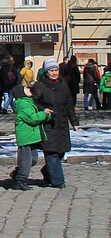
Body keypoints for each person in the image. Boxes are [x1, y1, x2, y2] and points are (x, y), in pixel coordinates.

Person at [32, 58, 79, 189]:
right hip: (48, 123)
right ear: (46, 72)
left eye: (56, 70)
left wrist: (74, 122)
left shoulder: (63, 85)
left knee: (61, 152)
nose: (54, 73)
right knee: (51, 152)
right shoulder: (40, 86)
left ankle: (47, 172)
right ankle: (58, 181)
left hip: (62, 123)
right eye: (51, 70)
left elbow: (69, 104)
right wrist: (43, 110)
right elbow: (35, 103)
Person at [6, 81, 50, 191]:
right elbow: (33, 118)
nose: (30, 91)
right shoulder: (23, 104)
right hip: (25, 137)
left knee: (33, 159)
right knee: (26, 160)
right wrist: (45, 114)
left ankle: (18, 173)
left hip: (32, 137)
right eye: (27, 90)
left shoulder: (30, 102)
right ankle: (20, 180)